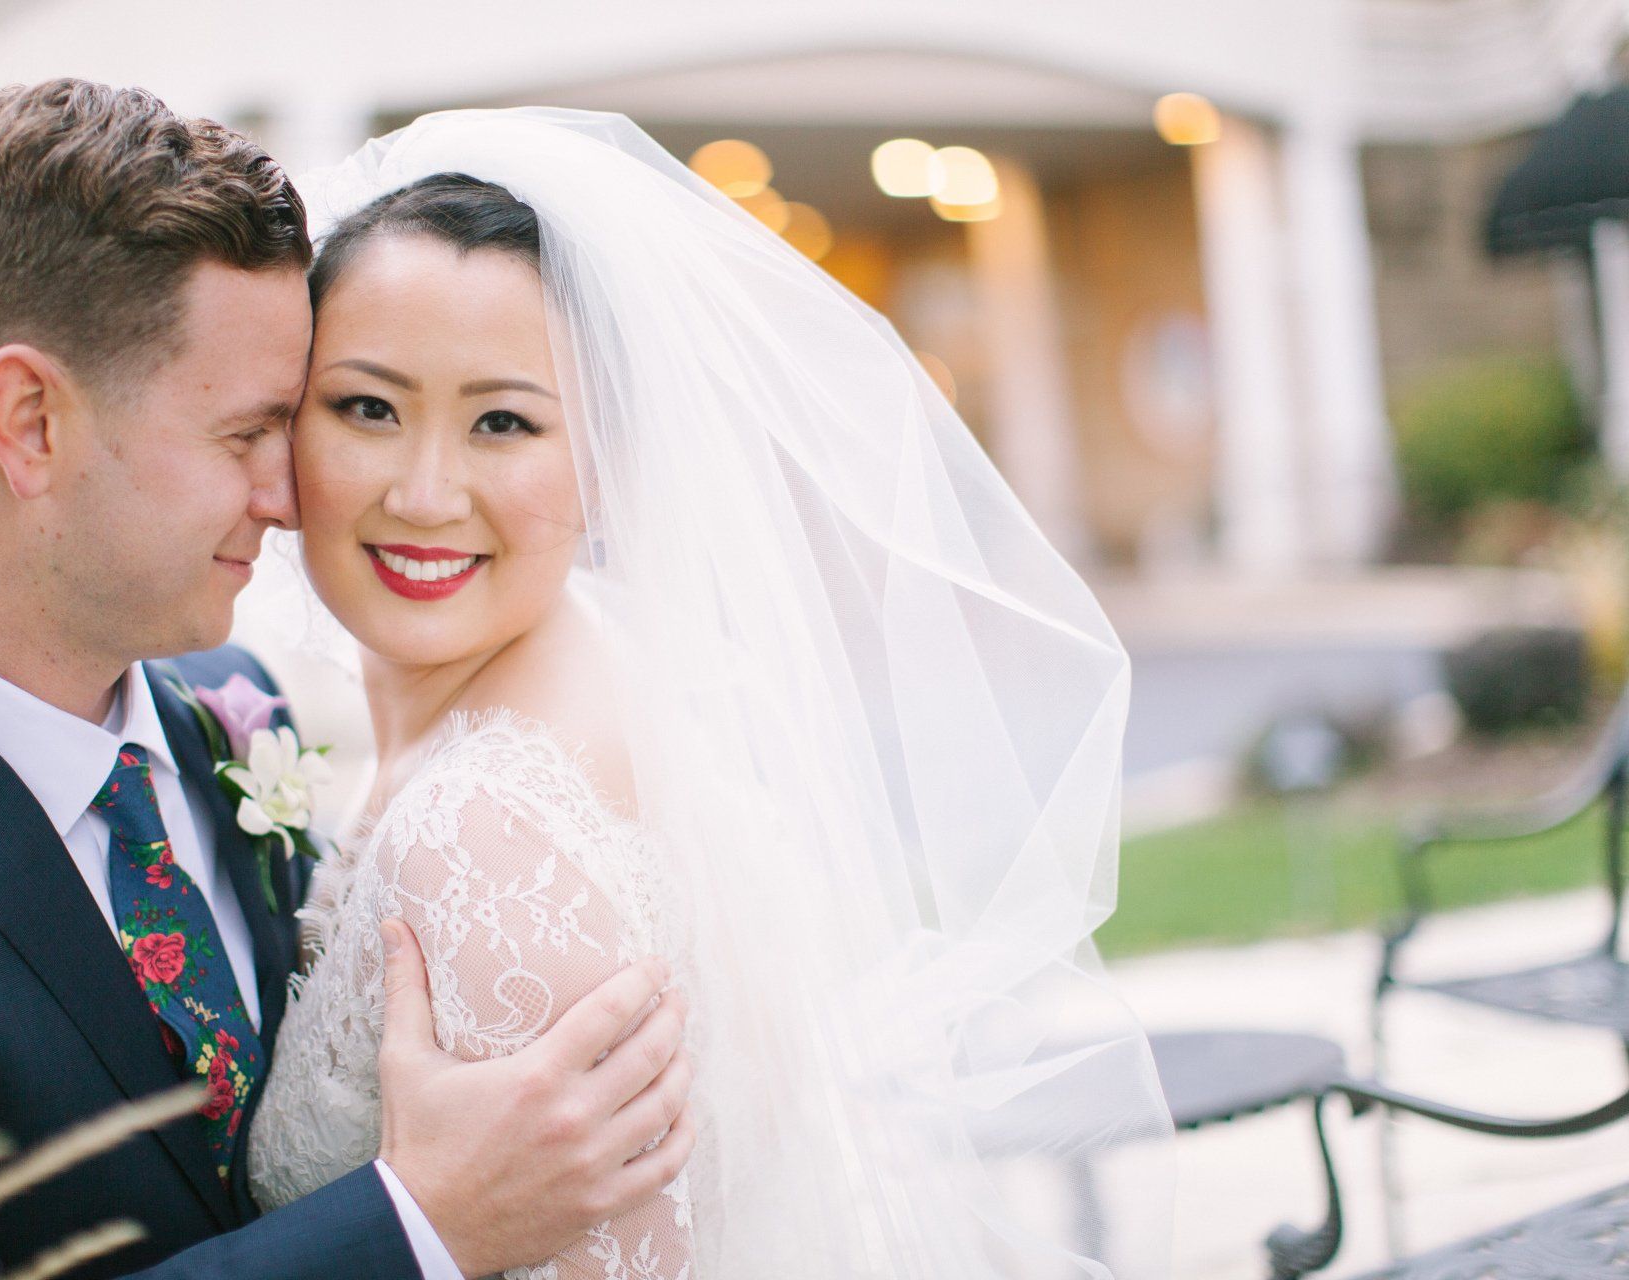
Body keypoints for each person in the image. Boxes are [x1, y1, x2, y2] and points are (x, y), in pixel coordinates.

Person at [0, 81, 690, 1280]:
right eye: (244, 434)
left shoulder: (232, 709)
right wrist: (419, 1224)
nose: (288, 498)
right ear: (28, 422)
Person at [246, 110, 1173, 1279]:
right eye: (368, 406)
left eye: (503, 422)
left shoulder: (487, 831)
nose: (426, 493)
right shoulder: (599, 659)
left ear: (601, 460)